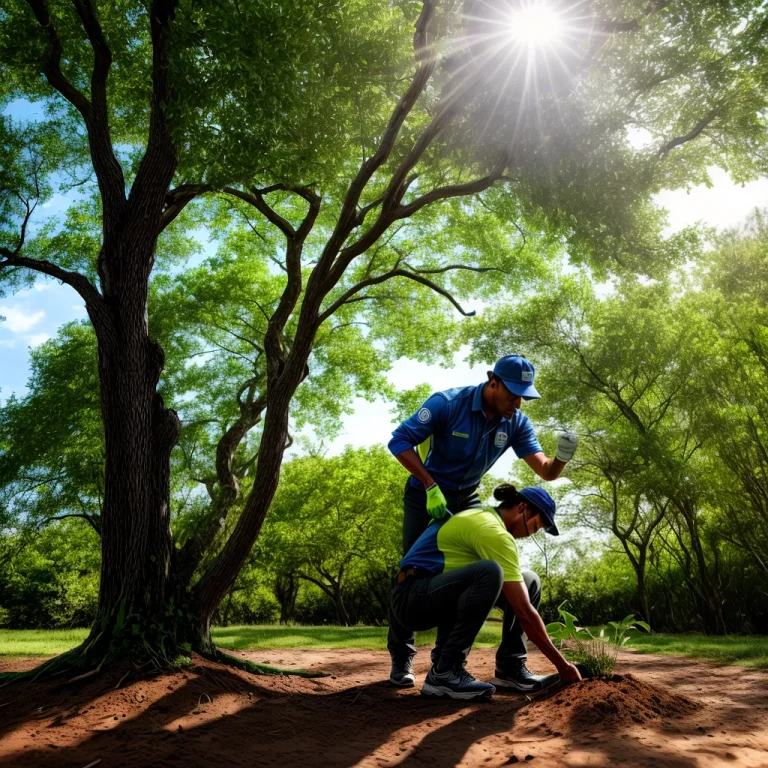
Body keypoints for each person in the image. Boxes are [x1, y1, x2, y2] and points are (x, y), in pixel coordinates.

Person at [386, 354, 578, 687]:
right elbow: (399, 441)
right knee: (416, 571)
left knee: (466, 572)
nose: (517, 403)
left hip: (466, 499)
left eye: (523, 396)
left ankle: (449, 664)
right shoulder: (448, 403)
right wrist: (430, 485)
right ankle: (402, 657)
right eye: (512, 393)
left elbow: (545, 470)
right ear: (493, 381)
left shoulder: (515, 422)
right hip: (426, 494)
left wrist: (561, 458)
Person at [389, 484, 582, 700]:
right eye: (535, 526)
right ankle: (445, 672)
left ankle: (511, 669)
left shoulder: (486, 518)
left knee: (528, 581)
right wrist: (562, 665)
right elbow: (525, 613)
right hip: (412, 599)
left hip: (432, 592)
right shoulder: (492, 530)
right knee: (489, 572)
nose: (531, 534)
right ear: (522, 508)